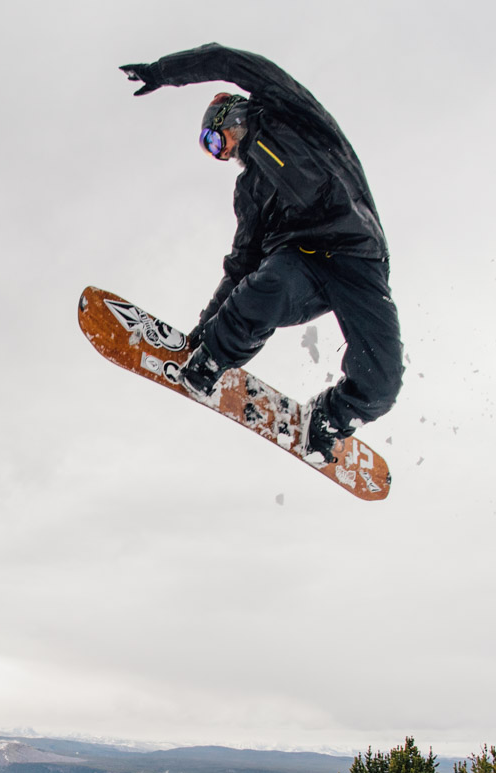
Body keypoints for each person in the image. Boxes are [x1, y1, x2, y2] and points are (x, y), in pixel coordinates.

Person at [118, 44, 404, 463]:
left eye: (215, 141)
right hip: (300, 262)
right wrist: (205, 333)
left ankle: (330, 418)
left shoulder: (287, 111)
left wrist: (164, 72)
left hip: (357, 256)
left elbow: (224, 59)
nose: (221, 154)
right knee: (268, 284)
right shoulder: (250, 189)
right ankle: (215, 360)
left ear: (230, 117)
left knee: (383, 383)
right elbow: (241, 265)